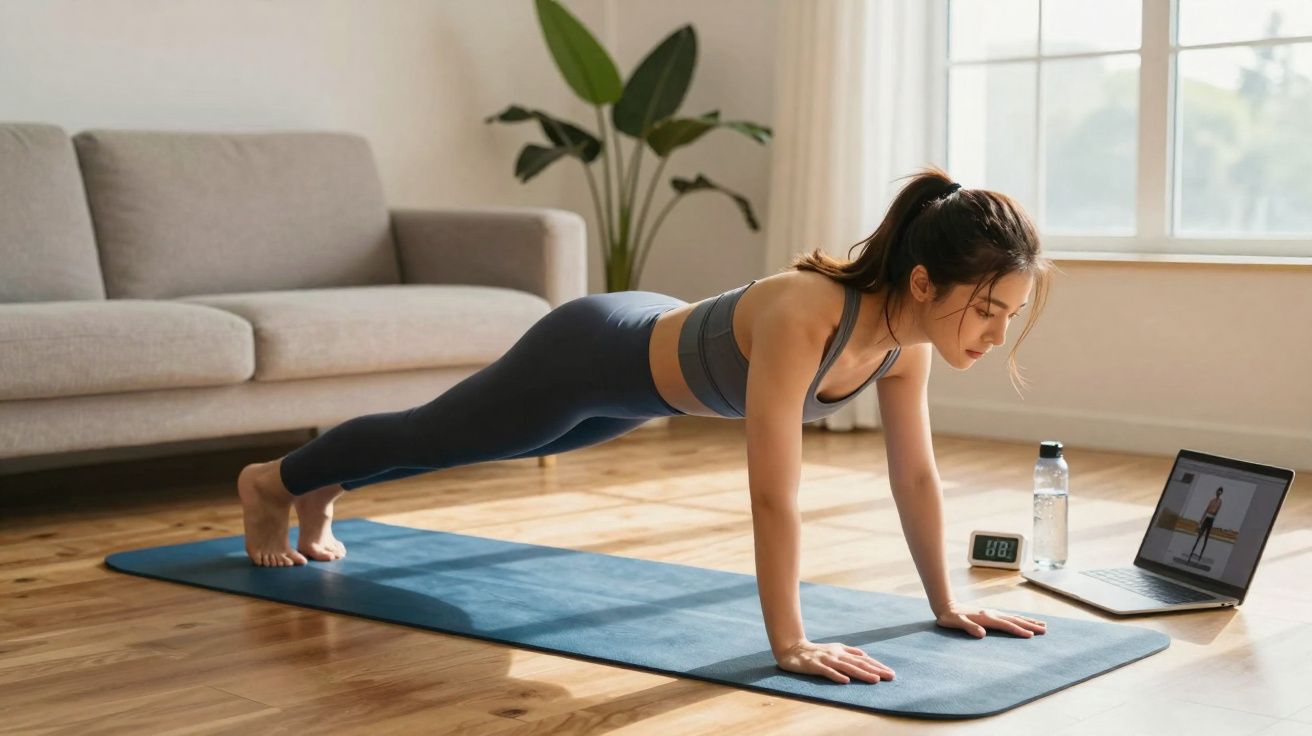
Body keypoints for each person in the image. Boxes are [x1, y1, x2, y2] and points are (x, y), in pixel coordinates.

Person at [236, 165, 1052, 685]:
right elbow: (774, 495)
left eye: (1007, 317)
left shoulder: (904, 348)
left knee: (463, 439)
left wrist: (947, 603)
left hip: (639, 393)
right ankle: (275, 482)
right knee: (443, 436)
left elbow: (913, 477)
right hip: (592, 354)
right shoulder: (810, 314)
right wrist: (790, 643)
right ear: (921, 281)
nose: (991, 333)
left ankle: (319, 486)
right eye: (985, 309)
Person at [1189, 487, 1224, 560]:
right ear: (1216, 491)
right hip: (1207, 518)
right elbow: (1207, 510)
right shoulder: (1212, 501)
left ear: (1221, 493)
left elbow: (1214, 511)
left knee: (1206, 537)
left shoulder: (1219, 501)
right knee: (1200, 535)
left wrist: (1211, 511)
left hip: (1211, 520)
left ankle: (1200, 556)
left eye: (1220, 492)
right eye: (1218, 491)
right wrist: (1201, 521)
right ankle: (1192, 553)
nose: (1218, 493)